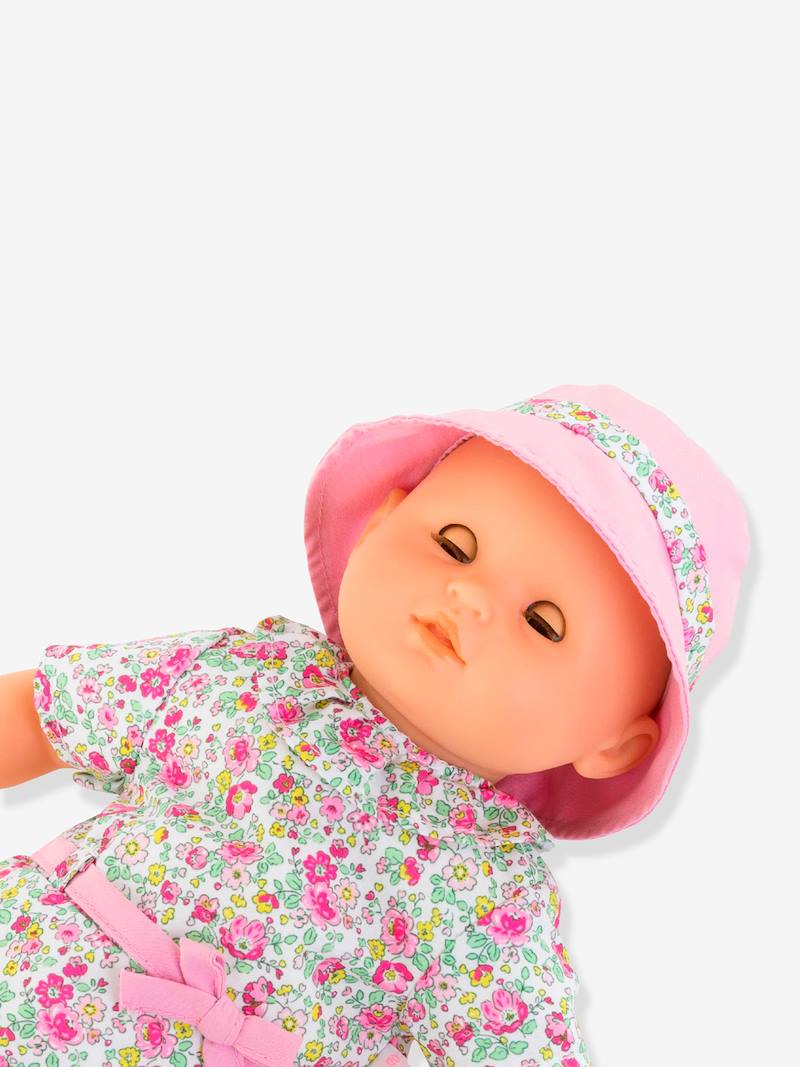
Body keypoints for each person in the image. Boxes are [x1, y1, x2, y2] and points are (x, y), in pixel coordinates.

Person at [0, 383, 750, 1066]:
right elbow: (40, 713)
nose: (468, 597)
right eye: (454, 544)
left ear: (612, 743)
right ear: (382, 522)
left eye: (543, 622)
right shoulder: (244, 670)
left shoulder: (486, 899)